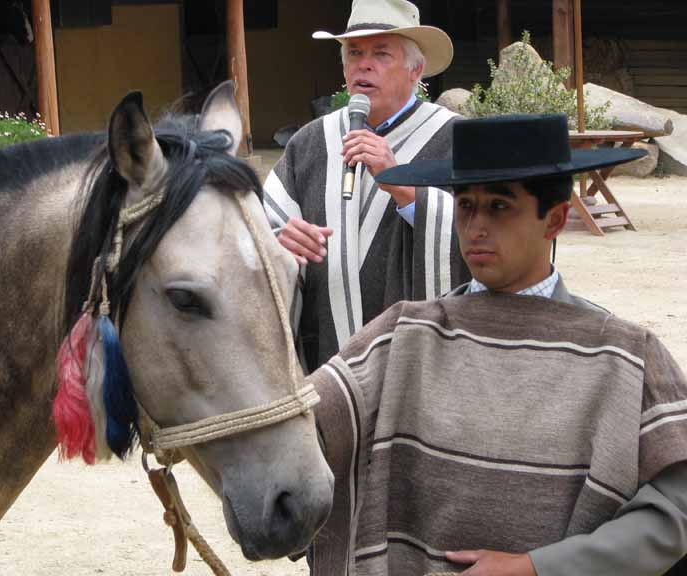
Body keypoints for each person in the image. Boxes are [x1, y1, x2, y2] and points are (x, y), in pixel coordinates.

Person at [305, 114, 687, 575]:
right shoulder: (404, 335)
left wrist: (537, 567)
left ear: (556, 220)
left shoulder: (624, 356)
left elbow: (675, 510)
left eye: (499, 207)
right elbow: (300, 424)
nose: (476, 227)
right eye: (466, 206)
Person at [263, 0, 470, 372]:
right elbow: (263, 228)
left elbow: (482, 232)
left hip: (416, 356)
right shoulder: (310, 142)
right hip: (323, 357)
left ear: (415, 70)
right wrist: (280, 241)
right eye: (354, 53)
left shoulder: (454, 137)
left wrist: (400, 183)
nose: (364, 64)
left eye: (381, 53)